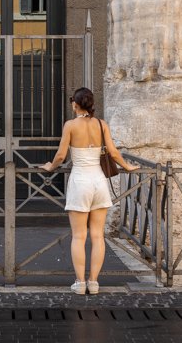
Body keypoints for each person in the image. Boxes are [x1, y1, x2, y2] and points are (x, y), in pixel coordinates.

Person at [41, 87, 138, 295]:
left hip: (80, 181)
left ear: (75, 104)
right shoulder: (101, 124)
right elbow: (112, 152)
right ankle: (93, 282)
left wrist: (50, 167)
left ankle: (80, 282)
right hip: (99, 182)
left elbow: (60, 156)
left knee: (78, 236)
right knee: (97, 235)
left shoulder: (70, 125)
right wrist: (127, 166)